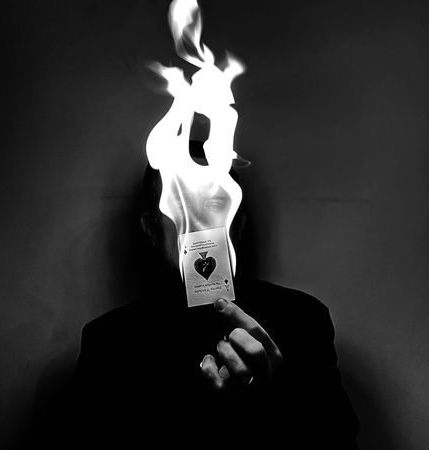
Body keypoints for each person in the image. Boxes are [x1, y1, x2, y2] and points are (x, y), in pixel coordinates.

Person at [74, 141, 360, 448]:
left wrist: (270, 400)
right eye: (180, 206)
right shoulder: (108, 343)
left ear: (239, 224)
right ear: (151, 230)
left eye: (215, 204)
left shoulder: (302, 320)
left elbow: (337, 440)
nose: (199, 222)